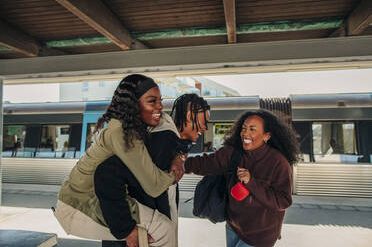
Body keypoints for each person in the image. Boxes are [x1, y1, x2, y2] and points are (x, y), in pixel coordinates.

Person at [53, 74, 183, 246]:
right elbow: (154, 186)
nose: (160, 106)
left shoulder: (127, 127)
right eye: (152, 101)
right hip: (77, 206)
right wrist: (174, 173)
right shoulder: (122, 133)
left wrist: (177, 155)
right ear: (133, 104)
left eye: (161, 100)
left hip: (89, 199)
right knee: (163, 229)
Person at [175, 109, 300, 247]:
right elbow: (205, 163)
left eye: (252, 129)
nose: (246, 133)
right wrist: (180, 164)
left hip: (260, 236)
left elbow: (283, 201)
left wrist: (251, 182)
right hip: (233, 227)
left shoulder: (278, 163)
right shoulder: (232, 153)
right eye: (244, 128)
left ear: (266, 136)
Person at [101, 93, 210, 247]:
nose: (205, 127)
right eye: (203, 120)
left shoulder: (170, 141)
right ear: (188, 115)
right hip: (138, 233)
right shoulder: (161, 140)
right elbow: (108, 177)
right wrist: (126, 229)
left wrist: (179, 155)